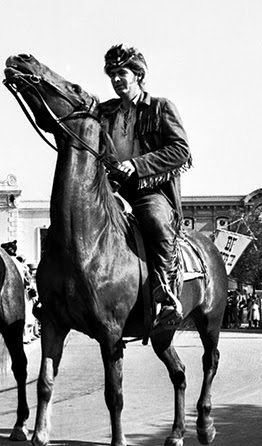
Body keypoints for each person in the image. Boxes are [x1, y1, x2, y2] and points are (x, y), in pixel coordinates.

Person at [98, 44, 192, 331]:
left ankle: (166, 295)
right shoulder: (103, 112)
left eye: (122, 72)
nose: (116, 79)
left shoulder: (161, 107)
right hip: (111, 189)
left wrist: (137, 165)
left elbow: (180, 151)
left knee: (154, 220)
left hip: (149, 189)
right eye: (112, 74)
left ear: (138, 74)